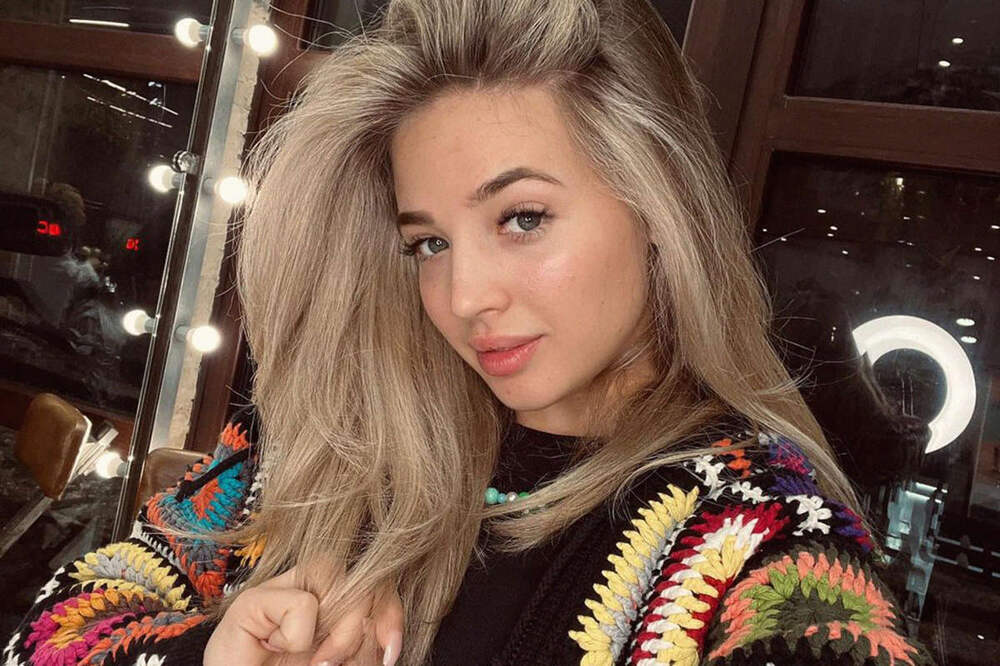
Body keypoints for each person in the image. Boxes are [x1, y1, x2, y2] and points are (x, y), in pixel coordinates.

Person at [4, 0, 937, 664]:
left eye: (522, 218)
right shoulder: (329, 435)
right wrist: (213, 649)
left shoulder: (758, 520)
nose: (463, 296)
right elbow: (49, 632)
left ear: (658, 206)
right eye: (429, 242)